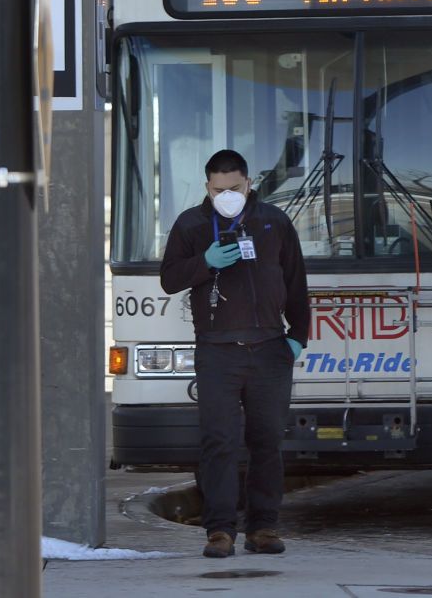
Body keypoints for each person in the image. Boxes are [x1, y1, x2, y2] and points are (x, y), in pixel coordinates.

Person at [161, 148, 311, 559]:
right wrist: (204, 263)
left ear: (248, 183)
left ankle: (263, 527)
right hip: (217, 351)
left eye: (234, 187)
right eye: (217, 189)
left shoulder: (273, 221)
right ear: (207, 186)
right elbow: (169, 279)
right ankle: (220, 530)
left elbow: (296, 282)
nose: (226, 195)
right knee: (219, 441)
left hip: (269, 349)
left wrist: (297, 338)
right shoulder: (191, 224)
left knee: (267, 442)